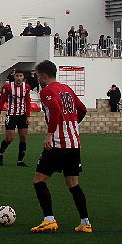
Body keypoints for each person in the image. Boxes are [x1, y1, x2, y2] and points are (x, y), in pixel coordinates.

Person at [30, 60, 91, 233]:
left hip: (58, 143)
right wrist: (72, 124)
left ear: (44, 75)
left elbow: (55, 108)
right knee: (73, 184)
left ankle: (49, 219)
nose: (37, 80)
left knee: (39, 180)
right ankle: (85, 223)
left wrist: (50, 134)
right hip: (74, 143)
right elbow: (83, 109)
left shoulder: (46, 91)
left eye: (38, 75)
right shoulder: (67, 89)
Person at [0, 69, 32, 167]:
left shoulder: (26, 87)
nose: (19, 78)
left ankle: (20, 160)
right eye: (17, 76)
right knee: (9, 138)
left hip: (22, 115)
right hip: (11, 115)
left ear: (23, 77)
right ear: (14, 76)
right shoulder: (8, 87)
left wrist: (28, 116)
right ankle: (0, 153)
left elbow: (28, 102)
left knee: (23, 137)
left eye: (20, 76)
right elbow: (2, 100)